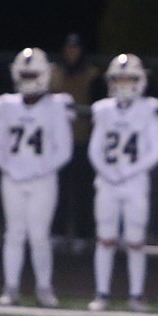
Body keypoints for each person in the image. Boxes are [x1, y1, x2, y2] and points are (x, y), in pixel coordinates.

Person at [0, 47, 74, 307]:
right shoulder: (6, 105)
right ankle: (11, 287)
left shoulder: (57, 106)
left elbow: (64, 150)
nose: (28, 79)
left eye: (32, 73)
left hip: (42, 179)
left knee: (39, 235)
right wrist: (11, 169)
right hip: (13, 178)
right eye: (24, 74)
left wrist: (38, 170)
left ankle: (44, 287)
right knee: (14, 233)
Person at [86, 53, 158, 312]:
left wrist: (130, 170)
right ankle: (102, 293)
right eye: (119, 78)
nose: (123, 83)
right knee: (105, 238)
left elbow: (157, 150)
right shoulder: (103, 109)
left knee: (135, 240)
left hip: (135, 183)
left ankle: (136, 295)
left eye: (129, 78)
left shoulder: (149, 108)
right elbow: (95, 148)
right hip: (107, 182)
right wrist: (109, 172)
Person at [49, 33, 99, 248]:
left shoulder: (92, 74)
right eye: (69, 48)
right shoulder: (54, 73)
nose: (72, 52)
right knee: (58, 189)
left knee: (83, 190)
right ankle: (57, 231)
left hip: (81, 139)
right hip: (56, 141)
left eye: (76, 48)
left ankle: (83, 234)